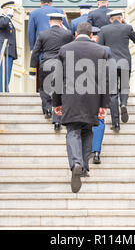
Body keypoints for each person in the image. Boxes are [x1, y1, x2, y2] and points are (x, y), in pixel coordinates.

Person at [52, 22, 109, 193]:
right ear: (91, 35)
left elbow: (57, 77)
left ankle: (76, 162)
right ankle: (83, 168)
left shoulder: (64, 49)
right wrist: (103, 105)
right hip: (93, 98)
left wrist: (56, 102)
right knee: (87, 131)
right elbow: (105, 81)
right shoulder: (101, 51)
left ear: (76, 34)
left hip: (71, 97)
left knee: (73, 131)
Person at [97, 10, 135, 131]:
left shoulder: (104, 29)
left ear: (111, 19)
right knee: (124, 87)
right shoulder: (127, 28)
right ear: (121, 18)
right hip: (124, 61)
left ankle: (115, 123)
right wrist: (127, 24)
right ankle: (123, 104)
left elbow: (100, 47)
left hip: (110, 62)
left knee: (112, 93)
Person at [29, 13, 74, 131]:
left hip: (46, 64)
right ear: (61, 23)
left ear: (50, 22)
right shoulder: (67, 34)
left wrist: (32, 70)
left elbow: (35, 52)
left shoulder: (43, 34)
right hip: (61, 64)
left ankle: (47, 108)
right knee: (58, 91)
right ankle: (57, 121)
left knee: (44, 89)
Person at [89, 26, 109, 165]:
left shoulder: (77, 48)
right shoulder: (105, 50)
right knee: (99, 122)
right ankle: (96, 151)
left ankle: (86, 151)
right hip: (98, 91)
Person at [0, 1, 18, 93]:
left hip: (9, 51)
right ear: (5, 9)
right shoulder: (1, 18)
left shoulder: (9, 22)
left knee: (7, 74)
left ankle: (5, 90)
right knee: (3, 74)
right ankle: (2, 92)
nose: (13, 12)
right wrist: (8, 15)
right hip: (3, 51)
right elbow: (2, 24)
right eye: (12, 9)